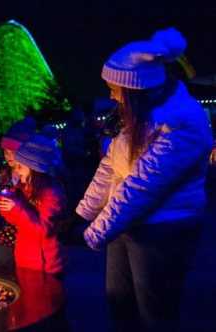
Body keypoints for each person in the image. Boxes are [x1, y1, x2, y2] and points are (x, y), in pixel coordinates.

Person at [75, 28, 213, 332]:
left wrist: (91, 234)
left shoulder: (183, 123)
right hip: (126, 223)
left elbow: (141, 187)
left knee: (155, 313)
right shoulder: (137, 116)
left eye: (114, 88)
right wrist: (82, 214)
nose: (110, 95)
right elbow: (111, 166)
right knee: (118, 302)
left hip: (163, 230)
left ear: (136, 89)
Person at [0, 133, 67, 276]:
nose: (16, 171)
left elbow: (43, 230)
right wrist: (7, 206)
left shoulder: (51, 193)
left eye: (20, 167)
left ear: (34, 168)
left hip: (45, 264)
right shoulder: (23, 188)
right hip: (24, 259)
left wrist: (17, 208)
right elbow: (16, 221)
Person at [0, 116, 36, 269]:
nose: (7, 156)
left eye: (12, 152)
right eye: (5, 152)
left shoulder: (35, 176)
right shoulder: (2, 174)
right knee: (6, 271)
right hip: (6, 234)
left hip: (29, 235)